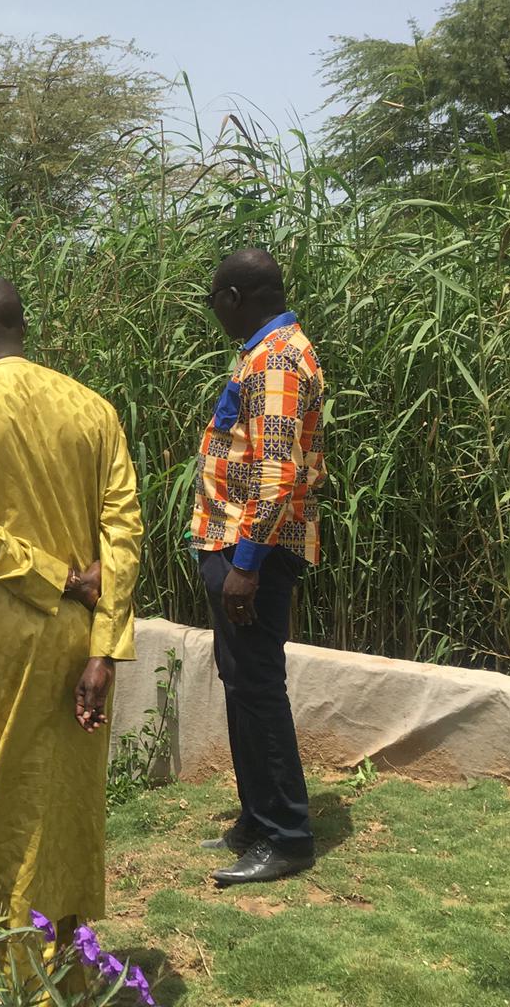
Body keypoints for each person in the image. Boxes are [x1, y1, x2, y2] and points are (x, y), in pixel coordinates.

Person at [0, 275, 142, 959]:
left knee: (5, 802)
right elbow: (124, 534)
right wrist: (104, 651)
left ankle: (13, 966)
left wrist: (55, 577)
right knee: (66, 803)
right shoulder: (93, 410)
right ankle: (62, 962)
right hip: (81, 640)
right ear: (23, 327)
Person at [191, 247, 326, 885]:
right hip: (235, 545)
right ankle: (256, 816)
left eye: (215, 298)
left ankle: (287, 835)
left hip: (254, 554)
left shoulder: (276, 361)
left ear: (235, 298)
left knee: (259, 687)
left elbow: (276, 476)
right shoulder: (266, 353)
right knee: (241, 682)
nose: (213, 309)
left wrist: (245, 565)